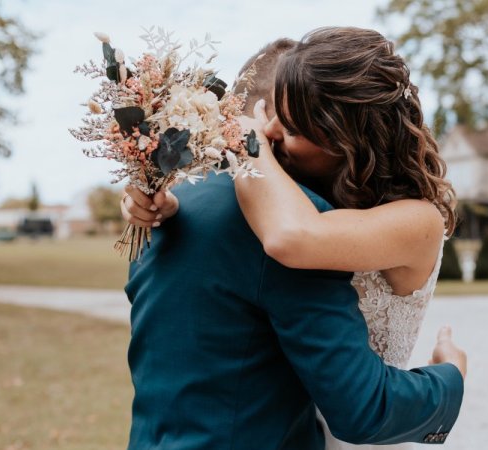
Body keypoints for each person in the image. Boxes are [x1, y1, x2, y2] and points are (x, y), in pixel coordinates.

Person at [122, 34, 466, 450]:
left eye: (293, 124)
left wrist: (244, 142)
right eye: (268, 115)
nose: (269, 130)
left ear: (349, 140)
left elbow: (294, 236)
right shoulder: (171, 205)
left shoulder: (406, 220)